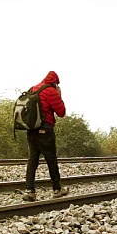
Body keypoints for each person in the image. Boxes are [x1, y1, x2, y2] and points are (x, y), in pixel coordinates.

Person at [22, 71, 68, 202]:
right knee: (51, 159)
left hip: (31, 130)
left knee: (33, 160)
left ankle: (30, 191)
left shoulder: (33, 89)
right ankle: (57, 189)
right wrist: (59, 95)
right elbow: (61, 112)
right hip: (45, 129)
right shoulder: (50, 91)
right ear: (54, 82)